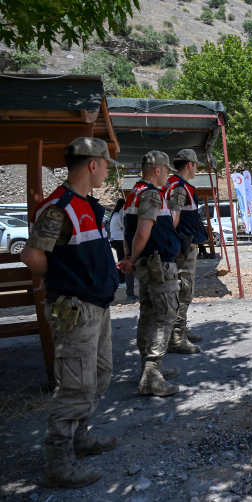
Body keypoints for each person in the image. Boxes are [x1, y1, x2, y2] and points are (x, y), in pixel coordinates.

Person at [20, 137, 120, 488]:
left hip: (97, 305)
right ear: (93, 165)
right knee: (75, 386)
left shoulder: (87, 205)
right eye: (105, 165)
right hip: (77, 308)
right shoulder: (58, 208)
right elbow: (32, 256)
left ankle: (81, 436)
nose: (106, 172)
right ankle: (58, 464)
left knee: (100, 374)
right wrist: (66, 280)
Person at [117, 151, 182, 397]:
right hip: (158, 266)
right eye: (166, 170)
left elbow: (128, 232)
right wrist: (131, 259)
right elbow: (142, 233)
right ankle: (152, 375)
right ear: (158, 170)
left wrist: (129, 257)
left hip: (147, 265)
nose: (168, 176)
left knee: (148, 313)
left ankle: (149, 369)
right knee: (166, 315)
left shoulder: (133, 194)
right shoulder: (153, 194)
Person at [163, 149, 207, 353]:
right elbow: (173, 218)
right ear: (190, 165)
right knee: (184, 291)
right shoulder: (179, 187)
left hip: (183, 246)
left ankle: (181, 330)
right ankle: (177, 338)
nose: (196, 169)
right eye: (196, 165)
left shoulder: (174, 184)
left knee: (182, 290)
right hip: (183, 248)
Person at [109, 198, 136, 301]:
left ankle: (123, 281)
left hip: (114, 239)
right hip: (119, 239)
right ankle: (121, 281)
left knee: (121, 259)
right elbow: (123, 226)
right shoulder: (118, 214)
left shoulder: (114, 214)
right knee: (122, 260)